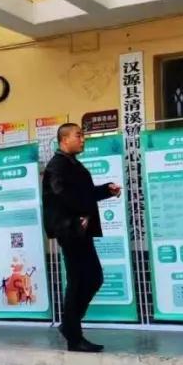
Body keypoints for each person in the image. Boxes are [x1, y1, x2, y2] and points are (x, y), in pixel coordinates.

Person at [43, 123, 121, 353]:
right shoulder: (57, 166)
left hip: (80, 231)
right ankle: (74, 337)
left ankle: (70, 326)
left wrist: (106, 190)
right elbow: (61, 195)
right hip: (70, 231)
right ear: (64, 139)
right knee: (78, 281)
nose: (83, 139)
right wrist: (79, 215)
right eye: (78, 135)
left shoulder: (72, 163)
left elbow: (83, 194)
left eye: (83, 135)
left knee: (93, 278)